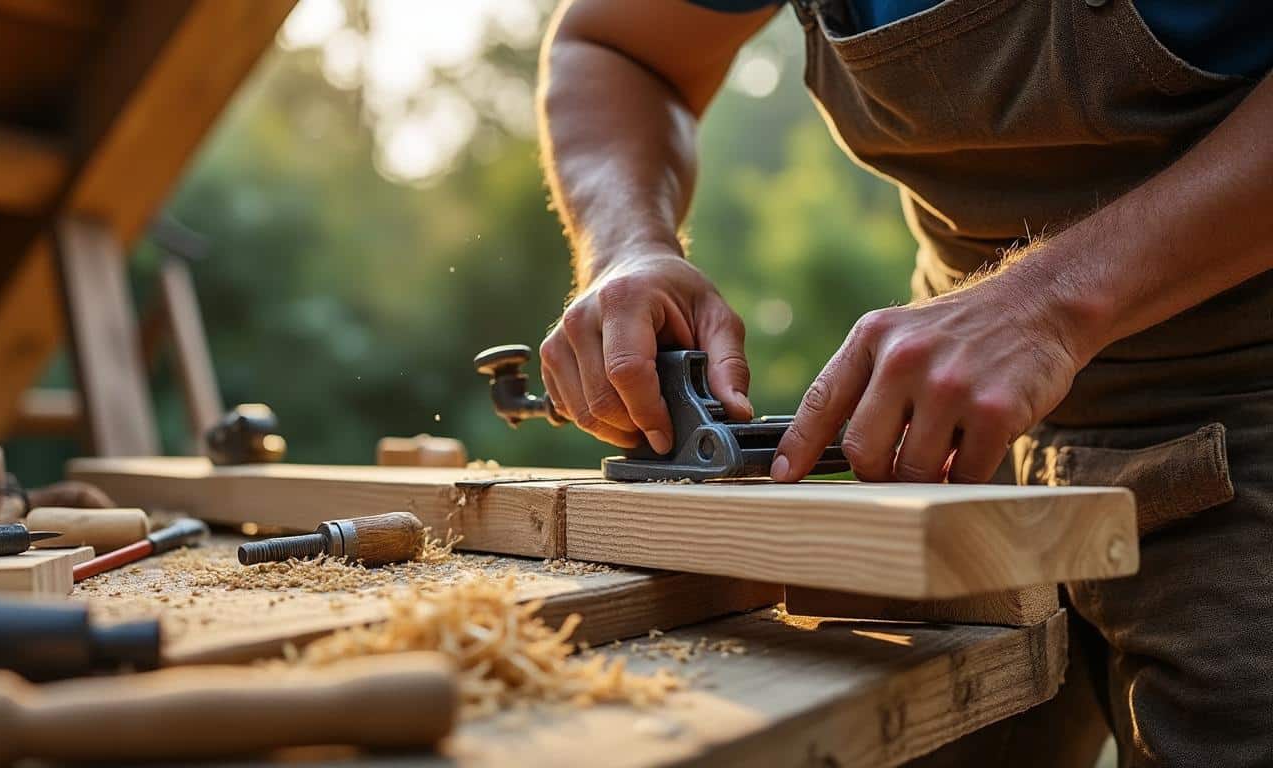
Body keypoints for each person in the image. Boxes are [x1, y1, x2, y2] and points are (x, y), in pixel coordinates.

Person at [532, 0, 1273, 765]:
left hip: (1246, 387)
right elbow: (615, 45)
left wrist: (1048, 305)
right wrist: (625, 246)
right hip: (947, 429)